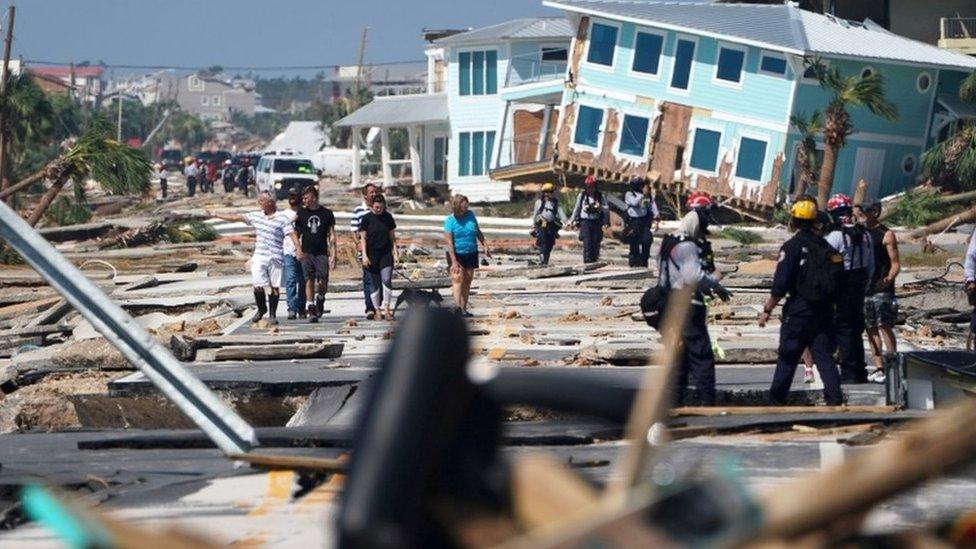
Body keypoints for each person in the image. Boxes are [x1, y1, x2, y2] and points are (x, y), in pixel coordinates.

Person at [760, 196, 844, 406]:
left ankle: (775, 402)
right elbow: (840, 277)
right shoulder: (827, 248)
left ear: (794, 221)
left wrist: (767, 310)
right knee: (825, 358)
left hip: (799, 310)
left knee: (788, 357)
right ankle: (835, 400)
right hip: (824, 312)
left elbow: (780, 284)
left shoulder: (792, 247)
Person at [657, 194, 730, 406]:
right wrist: (715, 282)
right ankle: (707, 403)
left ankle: (675, 402)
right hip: (688, 308)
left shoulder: (668, 242)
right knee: (702, 356)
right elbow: (694, 277)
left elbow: (663, 277)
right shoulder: (687, 246)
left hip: (670, 307)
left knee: (679, 359)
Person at [207, 193, 291, 325]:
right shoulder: (256, 216)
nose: (259, 203)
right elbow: (236, 218)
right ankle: (262, 308)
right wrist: (216, 214)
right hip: (260, 255)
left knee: (274, 287)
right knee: (258, 284)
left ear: (270, 202)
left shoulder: (282, 218)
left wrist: (298, 248)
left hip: (276, 256)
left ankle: (273, 314)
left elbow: (291, 233)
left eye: (262, 200)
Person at [825, 193, 874, 384]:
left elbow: (826, 263)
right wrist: (867, 284)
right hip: (860, 285)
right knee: (856, 328)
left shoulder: (835, 236)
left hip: (842, 287)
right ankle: (860, 370)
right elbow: (870, 265)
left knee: (844, 329)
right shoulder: (866, 235)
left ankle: (848, 372)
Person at [291, 185, 336, 323]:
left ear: (314, 197)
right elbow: (295, 233)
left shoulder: (327, 213)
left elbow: (332, 235)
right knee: (308, 279)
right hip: (307, 252)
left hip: (321, 252)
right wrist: (298, 249)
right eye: (303, 198)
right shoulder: (301, 214)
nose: (304, 200)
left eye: (306, 197)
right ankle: (310, 306)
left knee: (323, 281)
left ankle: (320, 298)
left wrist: (333, 253)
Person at [444, 194, 490, 317]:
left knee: (467, 280)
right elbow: (449, 242)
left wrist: (485, 245)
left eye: (467, 206)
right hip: (456, 253)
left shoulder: (470, 215)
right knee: (458, 278)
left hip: (471, 251)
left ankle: (464, 309)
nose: (466, 208)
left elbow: (477, 231)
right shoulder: (450, 221)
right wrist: (453, 261)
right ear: (457, 207)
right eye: (463, 206)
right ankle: (457, 308)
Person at [359, 194, 399, 320]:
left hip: (386, 253)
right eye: (376, 207)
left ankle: (387, 308)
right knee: (375, 283)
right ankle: (377, 310)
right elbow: (363, 239)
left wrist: (396, 252)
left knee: (386, 279)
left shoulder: (388, 218)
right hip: (371, 254)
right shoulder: (366, 218)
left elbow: (392, 237)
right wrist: (364, 255)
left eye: (380, 207)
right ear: (372, 206)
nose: (378, 210)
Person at [350, 183, 380, 319]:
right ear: (365, 195)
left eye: (375, 192)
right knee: (368, 278)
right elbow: (354, 230)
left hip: (380, 249)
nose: (374, 194)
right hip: (365, 250)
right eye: (371, 192)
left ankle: (378, 306)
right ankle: (370, 307)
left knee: (380, 278)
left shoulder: (380, 209)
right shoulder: (358, 210)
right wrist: (358, 244)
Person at [570, 176, 609, 263]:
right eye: (588, 187)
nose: (590, 189)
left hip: (596, 222)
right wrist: (572, 220)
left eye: (592, 187)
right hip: (585, 222)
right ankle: (587, 261)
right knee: (587, 242)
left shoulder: (600, 196)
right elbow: (577, 208)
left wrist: (600, 207)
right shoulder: (582, 196)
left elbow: (606, 209)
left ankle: (594, 260)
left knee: (595, 242)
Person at [282, 187, 307, 320]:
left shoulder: (305, 213)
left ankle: (301, 307)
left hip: (305, 252)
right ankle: (292, 308)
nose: (292, 198)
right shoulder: (284, 215)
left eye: (295, 195)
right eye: (290, 195)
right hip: (289, 252)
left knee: (303, 281)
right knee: (291, 280)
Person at [624, 176, 660, 268]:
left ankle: (644, 261)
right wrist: (643, 195)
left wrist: (656, 218)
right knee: (634, 244)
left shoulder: (647, 196)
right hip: (633, 222)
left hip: (643, 222)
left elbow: (652, 206)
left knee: (647, 240)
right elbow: (634, 203)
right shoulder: (629, 194)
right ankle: (634, 263)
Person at [532, 182, 567, 266]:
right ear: (543, 193)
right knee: (543, 242)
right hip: (542, 225)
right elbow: (535, 215)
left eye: (550, 192)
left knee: (550, 243)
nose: (548, 194)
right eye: (546, 192)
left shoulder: (555, 203)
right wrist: (534, 226)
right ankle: (542, 259)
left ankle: (546, 260)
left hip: (551, 226)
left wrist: (566, 222)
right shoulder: (539, 203)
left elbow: (561, 213)